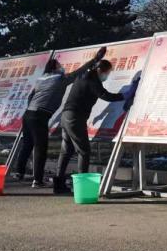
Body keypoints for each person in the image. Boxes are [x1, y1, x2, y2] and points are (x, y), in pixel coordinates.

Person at [12, 47, 107, 186]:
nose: (62, 67)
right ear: (55, 68)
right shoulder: (60, 79)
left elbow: (30, 97)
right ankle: (37, 180)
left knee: (27, 144)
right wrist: (96, 59)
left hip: (28, 114)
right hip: (40, 115)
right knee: (40, 147)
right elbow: (80, 71)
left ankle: (19, 172)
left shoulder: (41, 79)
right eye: (59, 65)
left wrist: (32, 109)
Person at [53, 58, 127, 194]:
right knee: (84, 151)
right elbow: (105, 95)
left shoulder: (83, 76)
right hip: (75, 118)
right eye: (107, 72)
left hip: (66, 116)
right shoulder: (92, 80)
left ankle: (58, 185)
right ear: (99, 70)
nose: (106, 75)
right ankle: (82, 187)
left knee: (66, 151)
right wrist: (125, 95)